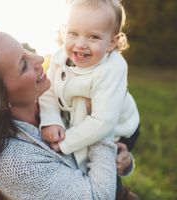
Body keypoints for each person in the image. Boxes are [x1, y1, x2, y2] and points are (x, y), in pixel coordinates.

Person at [0, 27, 134, 200]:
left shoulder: (55, 95)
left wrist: (120, 161)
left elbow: (99, 153)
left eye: (24, 49)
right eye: (23, 66)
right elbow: (98, 196)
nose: (39, 58)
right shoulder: (14, 165)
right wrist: (101, 118)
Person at [39, 0, 140, 198]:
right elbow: (47, 91)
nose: (80, 44)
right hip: (80, 118)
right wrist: (50, 120)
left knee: (105, 162)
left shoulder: (113, 67)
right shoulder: (59, 56)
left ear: (112, 42)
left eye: (93, 36)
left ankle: (120, 193)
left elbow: (103, 122)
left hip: (119, 126)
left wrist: (65, 143)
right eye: (73, 33)